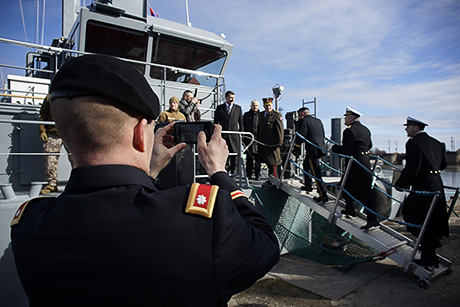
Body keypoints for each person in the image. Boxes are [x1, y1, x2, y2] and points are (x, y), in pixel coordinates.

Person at [10, 55, 280, 306]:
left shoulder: (28, 226)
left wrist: (147, 173)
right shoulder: (202, 222)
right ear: (141, 133)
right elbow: (266, 246)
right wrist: (219, 172)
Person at [395, 116, 449, 268]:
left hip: (423, 186)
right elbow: (443, 165)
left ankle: (429, 250)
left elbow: (411, 168)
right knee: (431, 219)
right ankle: (430, 252)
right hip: (437, 184)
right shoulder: (437, 143)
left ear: (415, 128)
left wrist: (400, 185)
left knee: (412, 215)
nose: (406, 129)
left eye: (408, 126)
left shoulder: (413, 143)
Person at [331, 106, 378, 230]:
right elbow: (370, 145)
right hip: (365, 162)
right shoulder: (365, 129)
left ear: (351, 118)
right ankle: (350, 209)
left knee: (363, 193)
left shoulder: (349, 131)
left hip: (354, 164)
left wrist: (333, 147)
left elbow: (346, 150)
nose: (345, 119)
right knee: (346, 186)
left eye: (346, 117)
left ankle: (372, 220)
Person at [38, 94, 73, 194]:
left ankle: (77, 181)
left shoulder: (72, 95)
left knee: (76, 159)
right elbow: (43, 114)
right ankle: (52, 184)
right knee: (50, 158)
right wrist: (42, 130)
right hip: (53, 133)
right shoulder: (50, 97)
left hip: (70, 133)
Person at [294, 107, 328, 203]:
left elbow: (301, 135)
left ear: (302, 114)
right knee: (306, 165)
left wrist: (296, 148)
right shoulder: (318, 120)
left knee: (316, 172)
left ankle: (323, 195)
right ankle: (308, 185)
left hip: (312, 151)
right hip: (320, 147)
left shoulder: (303, 121)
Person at [213, 90, 244, 174]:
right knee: (223, 155)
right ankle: (223, 172)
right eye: (230, 97)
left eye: (233, 98)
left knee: (235, 156)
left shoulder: (238, 108)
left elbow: (241, 123)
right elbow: (215, 122)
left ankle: (234, 173)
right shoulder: (220, 108)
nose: (232, 99)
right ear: (226, 98)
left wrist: (241, 136)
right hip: (223, 136)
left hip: (234, 137)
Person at [258, 98, 284, 185]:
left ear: (272, 106)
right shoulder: (261, 115)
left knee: (274, 163)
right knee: (268, 163)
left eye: (269, 105)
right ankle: (270, 180)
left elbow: (280, 130)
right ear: (264, 106)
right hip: (264, 143)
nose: (268, 107)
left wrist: (279, 143)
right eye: (266, 106)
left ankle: (274, 181)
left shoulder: (276, 115)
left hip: (273, 144)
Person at [243, 99, 261, 180]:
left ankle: (257, 174)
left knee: (258, 159)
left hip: (258, 140)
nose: (255, 107)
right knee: (249, 159)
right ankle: (248, 174)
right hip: (249, 140)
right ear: (251, 106)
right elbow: (243, 127)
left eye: (256, 105)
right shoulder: (246, 115)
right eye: (254, 105)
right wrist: (244, 138)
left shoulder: (261, 115)